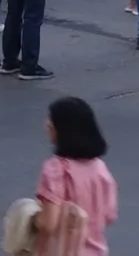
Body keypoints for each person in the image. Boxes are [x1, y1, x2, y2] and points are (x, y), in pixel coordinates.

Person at [32, 97, 117, 254]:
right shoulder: (99, 167)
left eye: (51, 120)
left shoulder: (56, 169)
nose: (47, 124)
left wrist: (30, 218)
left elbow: (48, 224)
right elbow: (109, 215)